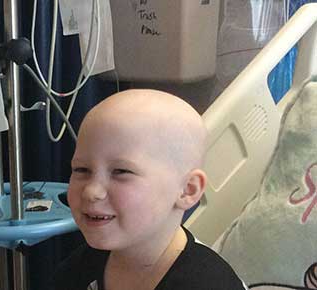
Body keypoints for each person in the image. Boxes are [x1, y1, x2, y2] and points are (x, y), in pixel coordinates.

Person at [54, 89, 245, 290]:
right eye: (81, 169)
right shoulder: (80, 267)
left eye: (121, 171)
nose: (91, 191)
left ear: (187, 190)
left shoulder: (209, 284)